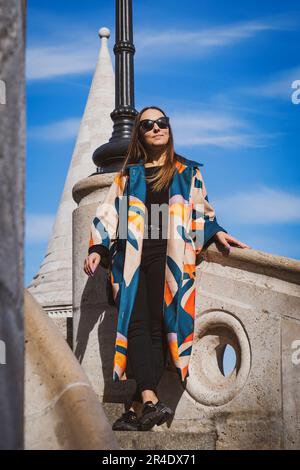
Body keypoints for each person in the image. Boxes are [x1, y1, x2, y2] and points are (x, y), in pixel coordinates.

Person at [84, 106, 250, 432]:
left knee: (162, 330)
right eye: (148, 125)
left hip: (171, 256)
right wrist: (97, 248)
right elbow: (109, 214)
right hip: (132, 258)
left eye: (162, 122)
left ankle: (135, 409)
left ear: (169, 128)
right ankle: (149, 399)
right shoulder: (129, 176)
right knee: (135, 324)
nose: (157, 128)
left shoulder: (187, 173)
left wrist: (215, 230)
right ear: (141, 135)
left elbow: (200, 210)